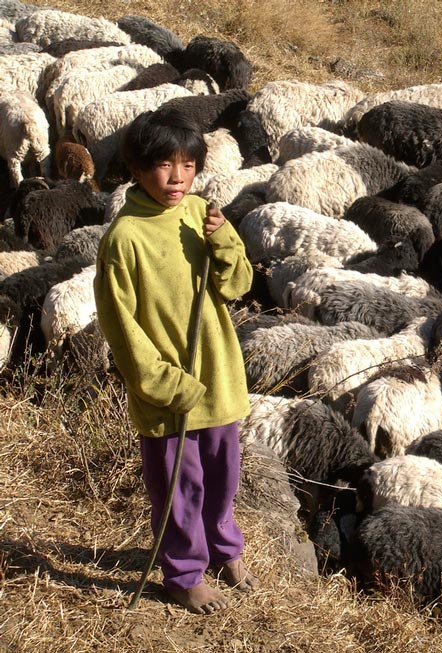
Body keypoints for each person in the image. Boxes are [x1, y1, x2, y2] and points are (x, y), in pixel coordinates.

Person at [94, 107, 258, 614]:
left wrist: (224, 238)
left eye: (188, 165)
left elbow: (236, 285)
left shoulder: (198, 213)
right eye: (165, 165)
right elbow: (122, 331)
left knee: (222, 474)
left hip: (217, 375)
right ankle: (184, 573)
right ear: (138, 169)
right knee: (179, 486)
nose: (178, 177)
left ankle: (223, 549)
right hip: (170, 392)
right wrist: (166, 383)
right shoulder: (124, 240)